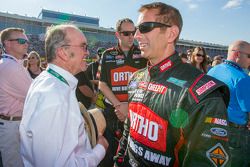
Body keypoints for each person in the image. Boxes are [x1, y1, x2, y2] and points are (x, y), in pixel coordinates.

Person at [114, 2, 231, 167]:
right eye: (135, 30)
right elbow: (129, 130)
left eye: (145, 27)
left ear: (171, 34)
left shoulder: (202, 93)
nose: (136, 36)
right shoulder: (136, 78)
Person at [19, 24, 108, 167]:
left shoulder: (51, 82)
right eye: (83, 46)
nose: (87, 53)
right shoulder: (54, 95)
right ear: (63, 52)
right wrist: (100, 149)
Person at [98, 18, 147, 166]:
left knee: (133, 155)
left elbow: (147, 84)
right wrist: (120, 106)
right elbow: (102, 84)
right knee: (109, 154)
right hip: (113, 111)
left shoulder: (143, 54)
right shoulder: (107, 55)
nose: (131, 36)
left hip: (136, 112)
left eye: (133, 32)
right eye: (126, 33)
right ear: (117, 35)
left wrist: (129, 107)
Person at [208, 40, 250, 167]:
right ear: (237, 54)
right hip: (235, 134)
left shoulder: (213, 70)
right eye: (249, 56)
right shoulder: (242, 79)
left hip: (211, 126)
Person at [0, 27, 32, 167]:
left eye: (26, 41)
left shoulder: (12, 64)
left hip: (15, 123)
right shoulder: (10, 66)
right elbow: (35, 95)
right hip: (12, 126)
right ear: (7, 43)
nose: (26, 43)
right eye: (21, 40)